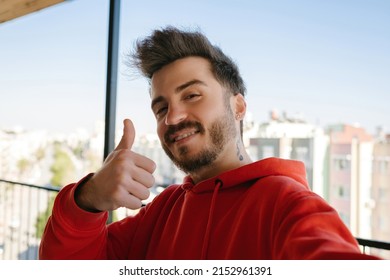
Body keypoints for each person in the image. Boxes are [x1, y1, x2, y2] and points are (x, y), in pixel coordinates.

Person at [39, 26, 380, 260]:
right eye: (161, 108)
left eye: (191, 94)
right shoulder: (164, 209)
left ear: (238, 106)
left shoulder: (289, 206)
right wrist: (88, 200)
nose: (172, 117)